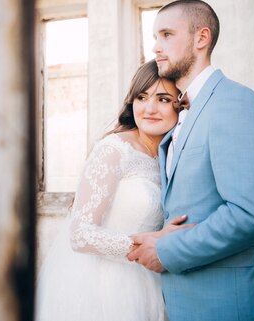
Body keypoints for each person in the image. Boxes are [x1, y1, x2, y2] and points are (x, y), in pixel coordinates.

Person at [127, 0, 254, 321]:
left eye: (166, 35)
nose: (156, 48)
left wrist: (167, 251)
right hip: (183, 300)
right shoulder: (182, 114)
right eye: (155, 38)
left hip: (225, 304)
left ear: (201, 38)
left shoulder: (234, 102)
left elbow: (250, 215)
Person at [35, 60, 186, 321]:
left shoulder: (171, 156)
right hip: (103, 288)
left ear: (180, 105)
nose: (149, 108)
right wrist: (150, 244)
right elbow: (80, 235)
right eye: (142, 97)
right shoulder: (114, 150)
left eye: (163, 99)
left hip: (151, 283)